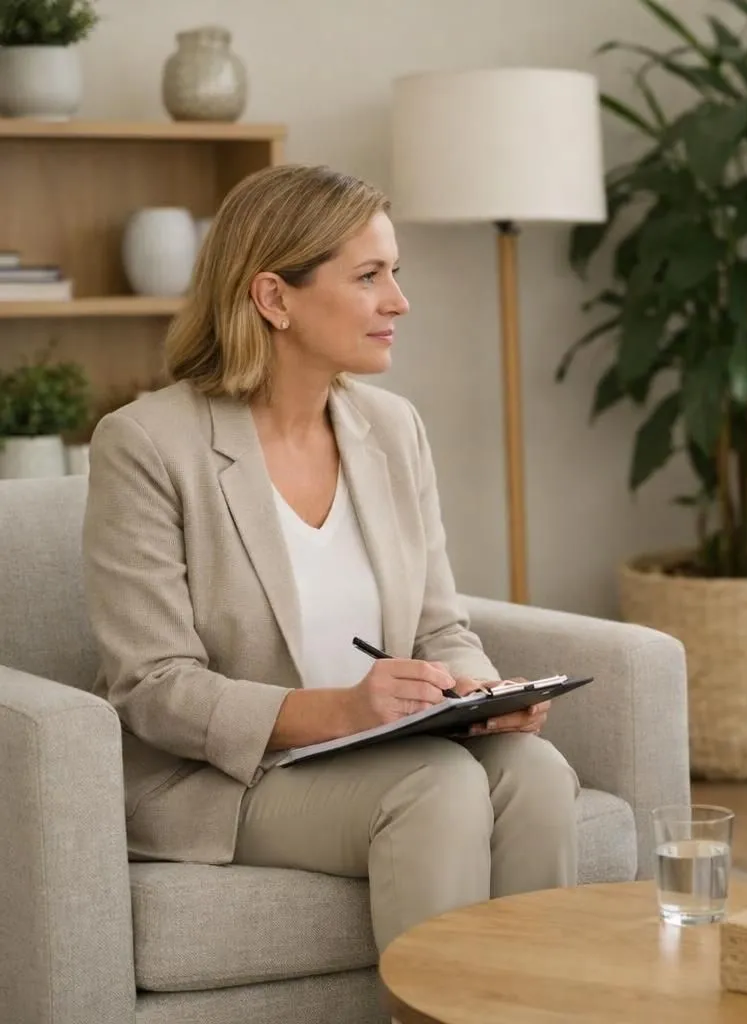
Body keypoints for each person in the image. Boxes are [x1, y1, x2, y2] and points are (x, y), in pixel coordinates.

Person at [83, 163, 580, 954]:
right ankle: (431, 1010)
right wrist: (342, 711)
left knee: (537, 771)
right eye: (369, 276)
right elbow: (153, 686)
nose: (399, 301)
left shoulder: (392, 427)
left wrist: (479, 694)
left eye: (395, 273)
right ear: (273, 297)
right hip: (228, 776)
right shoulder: (145, 444)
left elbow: (439, 626)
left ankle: (534, 1007)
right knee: (438, 787)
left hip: (382, 749)